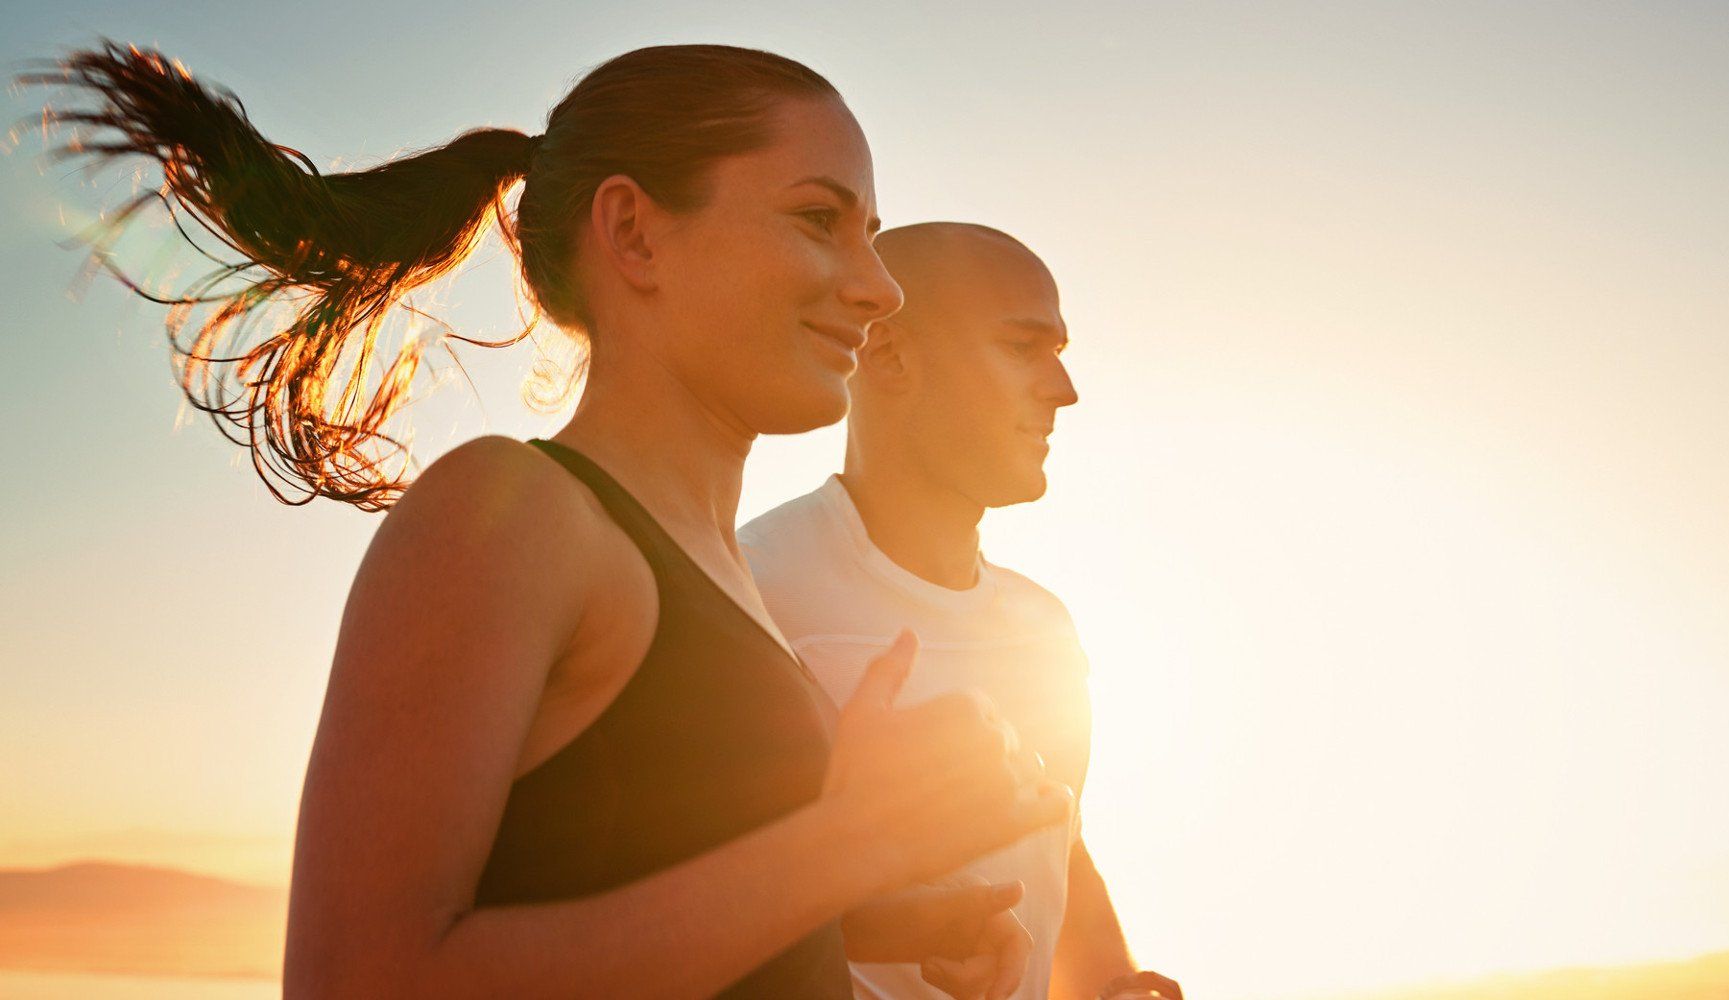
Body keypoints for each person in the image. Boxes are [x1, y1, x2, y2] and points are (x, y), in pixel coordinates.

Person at [31, 43, 1073, 999]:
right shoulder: (510, 516)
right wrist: (847, 845)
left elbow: (610, 884)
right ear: (632, 232)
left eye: (875, 237)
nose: (879, 287)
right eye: (820, 221)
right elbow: (362, 978)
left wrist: (866, 918)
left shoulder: (719, 569)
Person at [741, 223, 1181, 1000]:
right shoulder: (751, 589)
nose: (1063, 389)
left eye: (1061, 353)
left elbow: (1060, 852)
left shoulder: (1047, 628)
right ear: (885, 353)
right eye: (1024, 347)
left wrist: (1116, 986)